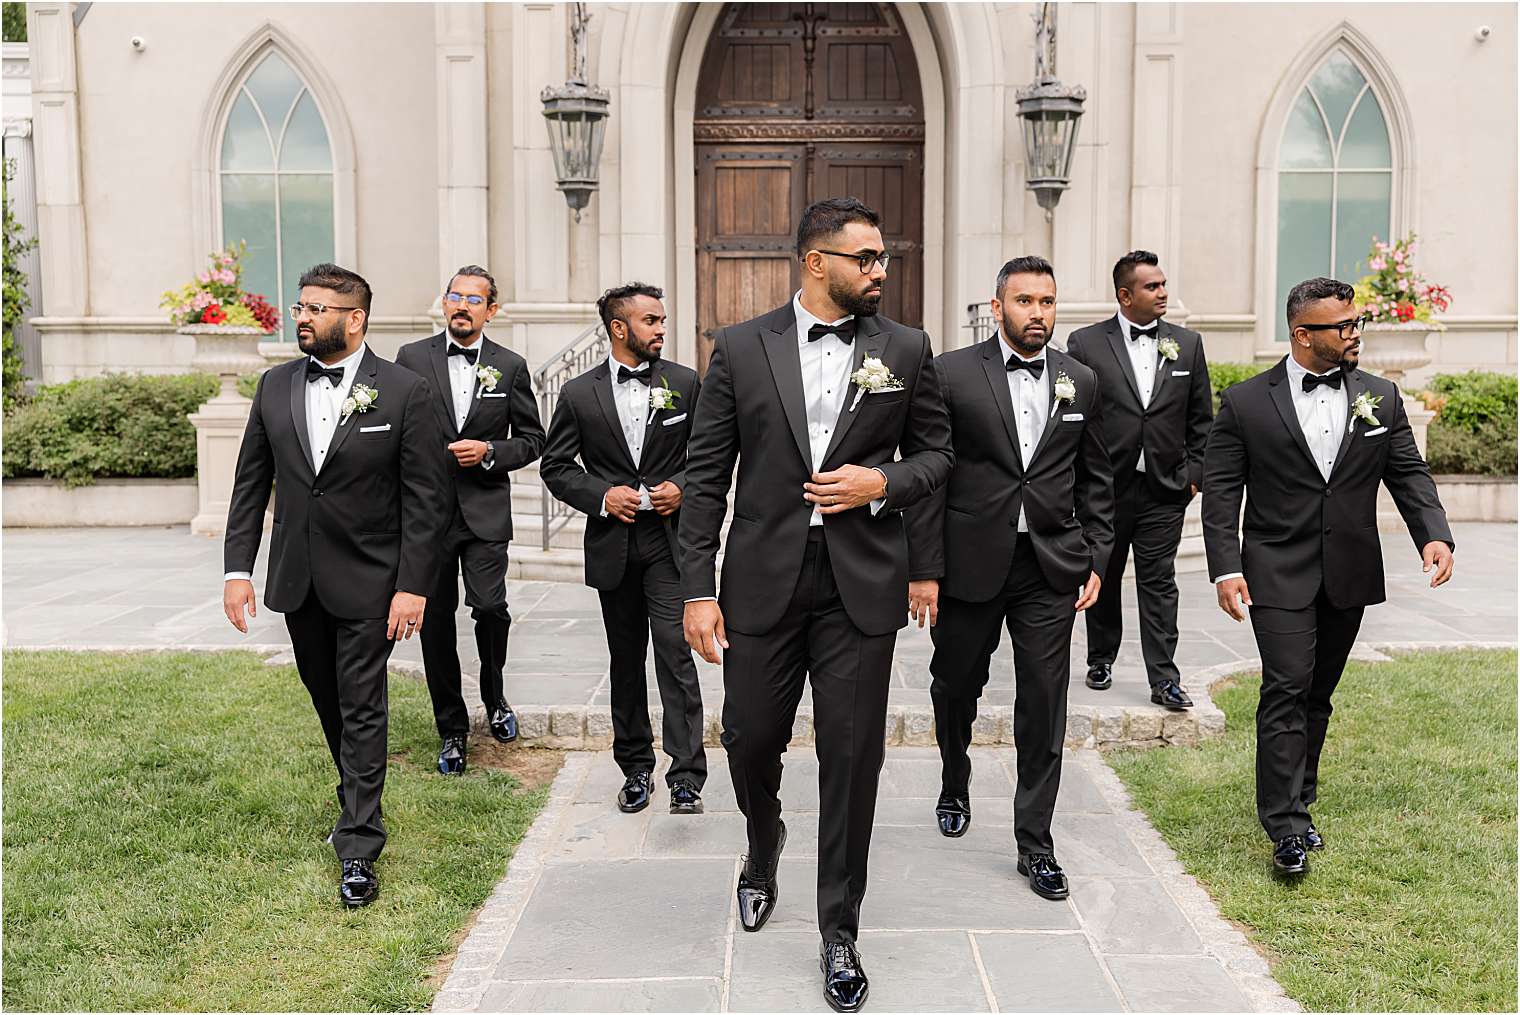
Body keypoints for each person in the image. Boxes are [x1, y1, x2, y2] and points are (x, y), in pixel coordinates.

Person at [679, 198, 953, 1013]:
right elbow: (703, 479)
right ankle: (763, 844)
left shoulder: (905, 347)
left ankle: (840, 927)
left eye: (882, 258)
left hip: (859, 585)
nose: (880, 270)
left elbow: (938, 454)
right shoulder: (737, 348)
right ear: (814, 261)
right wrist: (697, 586)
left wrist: (882, 483)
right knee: (749, 738)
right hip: (762, 580)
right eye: (865, 258)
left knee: (852, 756)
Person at [1202, 276, 1454, 876]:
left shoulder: (1382, 398)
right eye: (1342, 326)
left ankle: (1300, 800)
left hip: (1349, 570)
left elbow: (1409, 474)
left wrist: (1434, 533)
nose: (1355, 333)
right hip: (1275, 569)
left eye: (1356, 322)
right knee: (1286, 686)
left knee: (1318, 693)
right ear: (1301, 334)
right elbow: (1220, 493)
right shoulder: (1245, 402)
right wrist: (1226, 568)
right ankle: (1285, 828)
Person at [223, 263, 448, 907]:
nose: (302, 317)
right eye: (300, 306)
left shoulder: (405, 392)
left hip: (374, 582)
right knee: (327, 698)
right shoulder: (273, 387)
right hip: (297, 580)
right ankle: (354, 790)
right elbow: (249, 487)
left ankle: (358, 844)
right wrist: (239, 569)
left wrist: (413, 586)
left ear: (356, 319)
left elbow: (427, 501)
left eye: (317, 308)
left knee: (361, 702)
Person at [906, 255, 1114, 902]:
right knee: (956, 683)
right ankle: (953, 774)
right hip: (968, 563)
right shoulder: (950, 374)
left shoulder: (1082, 379)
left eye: (1047, 302)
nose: (1038, 313)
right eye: (1024, 301)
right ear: (997, 307)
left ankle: (1036, 843)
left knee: (1046, 703)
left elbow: (1097, 479)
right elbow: (930, 475)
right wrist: (925, 570)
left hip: (1049, 567)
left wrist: (1097, 558)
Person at [540, 283, 708, 814]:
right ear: (619, 328)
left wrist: (681, 484)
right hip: (614, 545)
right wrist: (600, 496)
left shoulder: (684, 382)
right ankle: (635, 768)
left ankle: (686, 776)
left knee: (676, 656)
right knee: (625, 660)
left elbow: (709, 456)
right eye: (652, 320)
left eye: (662, 320)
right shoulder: (577, 394)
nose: (662, 329)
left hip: (668, 544)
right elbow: (556, 467)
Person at [395, 266, 545, 774]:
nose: (463, 305)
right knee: (435, 624)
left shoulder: (510, 365)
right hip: (427, 515)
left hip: (484, 511)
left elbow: (532, 439)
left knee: (491, 608)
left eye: (474, 299)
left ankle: (496, 697)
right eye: (455, 296)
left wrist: (488, 452)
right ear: (444, 303)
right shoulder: (411, 359)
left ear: (491, 310)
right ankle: (452, 729)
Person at [1066, 250, 1213, 709]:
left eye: (1164, 284)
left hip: (1165, 490)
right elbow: (1075, 417)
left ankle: (1164, 678)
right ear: (1125, 295)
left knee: (1159, 581)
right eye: (1153, 287)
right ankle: (1101, 657)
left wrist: (1193, 476)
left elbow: (1202, 420)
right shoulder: (1086, 344)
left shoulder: (1187, 345)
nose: (1164, 292)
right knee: (1102, 575)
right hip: (1105, 486)